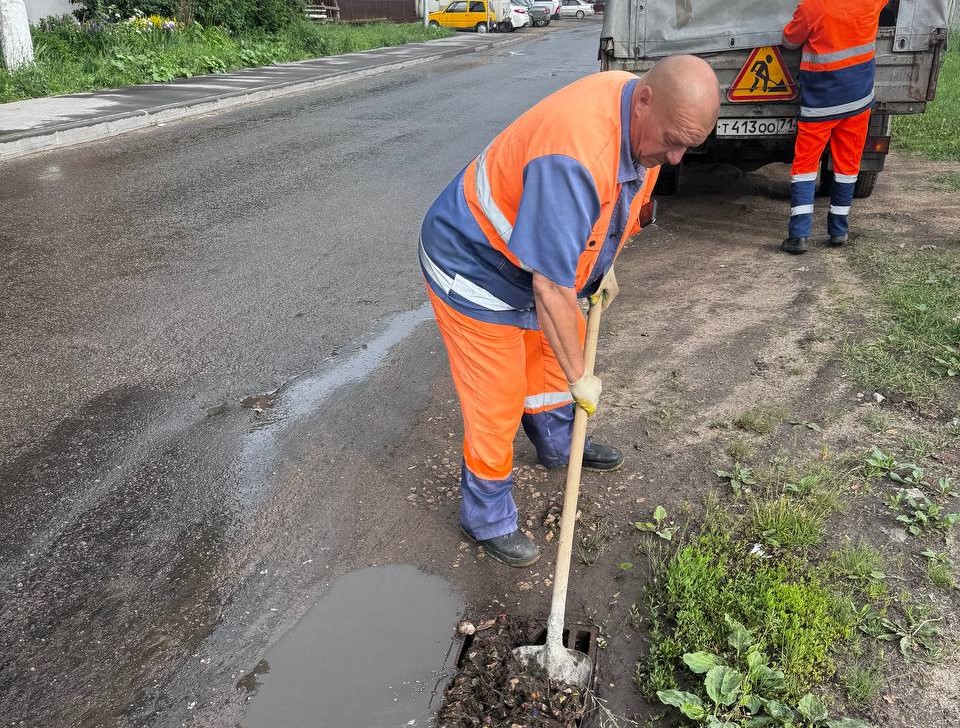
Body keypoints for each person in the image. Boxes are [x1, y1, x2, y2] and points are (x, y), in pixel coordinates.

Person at [418, 56, 720, 567]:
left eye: (687, 146)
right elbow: (552, 287)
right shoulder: (575, 153)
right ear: (644, 100)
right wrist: (585, 377)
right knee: (499, 396)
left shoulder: (637, 119)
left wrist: (603, 269)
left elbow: (613, 204)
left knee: (551, 363)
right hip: (473, 264)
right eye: (671, 141)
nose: (674, 159)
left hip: (530, 264)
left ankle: (562, 444)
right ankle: (486, 517)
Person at [780, 0, 889, 254]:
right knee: (848, 166)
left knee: (805, 167)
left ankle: (799, 236)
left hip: (820, 103)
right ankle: (839, 231)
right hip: (858, 100)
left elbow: (790, 40)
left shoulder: (813, 6)